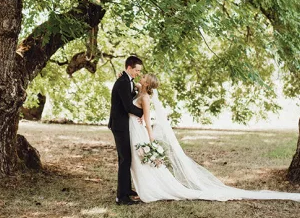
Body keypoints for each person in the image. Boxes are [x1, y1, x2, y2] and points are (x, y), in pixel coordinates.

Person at [129, 73, 300, 203]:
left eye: (144, 77)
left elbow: (147, 119)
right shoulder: (140, 90)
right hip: (135, 129)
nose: (141, 77)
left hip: (141, 131)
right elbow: (133, 85)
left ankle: (151, 188)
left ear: (147, 84)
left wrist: (152, 142)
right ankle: (145, 186)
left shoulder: (145, 97)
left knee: (142, 160)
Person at [109, 55, 144, 205]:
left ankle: (126, 189)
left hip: (123, 124)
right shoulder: (123, 82)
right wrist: (144, 114)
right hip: (119, 125)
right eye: (136, 70)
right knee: (125, 160)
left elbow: (129, 98)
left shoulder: (127, 80)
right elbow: (128, 107)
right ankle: (121, 197)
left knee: (126, 159)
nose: (138, 73)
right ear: (129, 68)